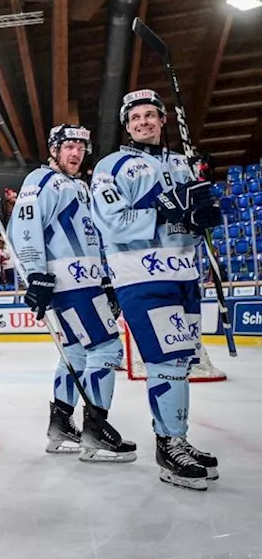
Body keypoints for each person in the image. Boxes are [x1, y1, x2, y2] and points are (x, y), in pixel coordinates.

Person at [91, 91, 222, 490]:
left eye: (151, 115)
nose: (144, 122)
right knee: (165, 361)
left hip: (184, 275)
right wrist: (162, 210)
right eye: (136, 117)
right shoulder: (112, 165)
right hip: (142, 276)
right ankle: (168, 447)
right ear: (126, 125)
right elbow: (110, 222)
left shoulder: (181, 164)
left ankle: (176, 436)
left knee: (182, 361)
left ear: (163, 120)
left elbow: (187, 225)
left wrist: (201, 218)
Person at [8, 124, 135, 462]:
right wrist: (36, 274)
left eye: (81, 147)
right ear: (54, 150)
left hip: (87, 282)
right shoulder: (42, 180)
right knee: (107, 348)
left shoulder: (79, 186)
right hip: (69, 281)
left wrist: (107, 280)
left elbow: (94, 237)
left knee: (77, 354)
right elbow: (23, 227)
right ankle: (96, 433)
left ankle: (61, 426)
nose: (76, 153)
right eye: (69, 146)